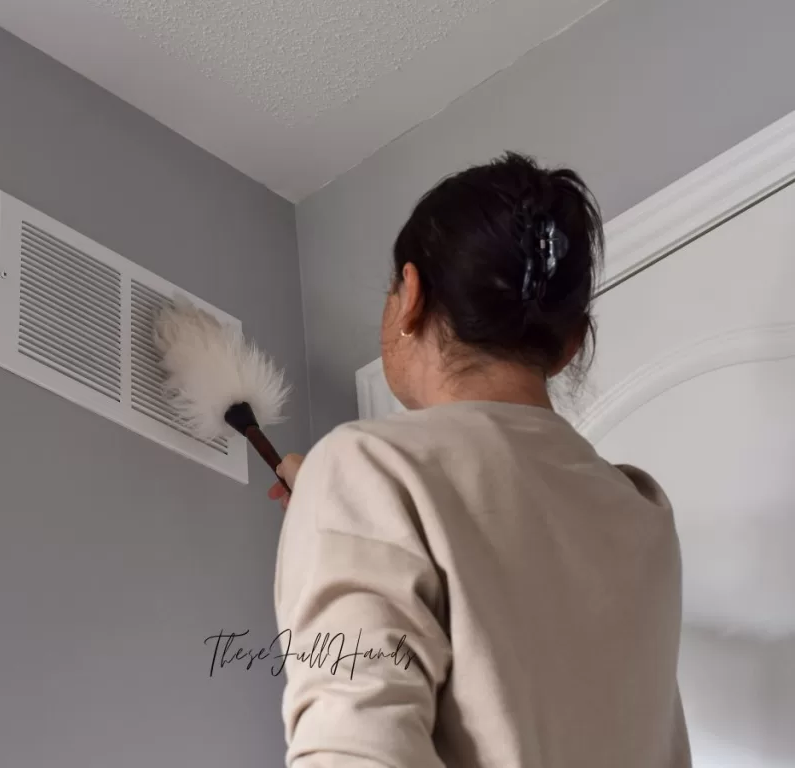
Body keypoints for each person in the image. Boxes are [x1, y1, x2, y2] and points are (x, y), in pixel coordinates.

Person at [267, 153, 691, 768]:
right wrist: (344, 501)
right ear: (571, 344)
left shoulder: (370, 470)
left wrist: (346, 494)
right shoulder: (638, 510)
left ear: (409, 295)